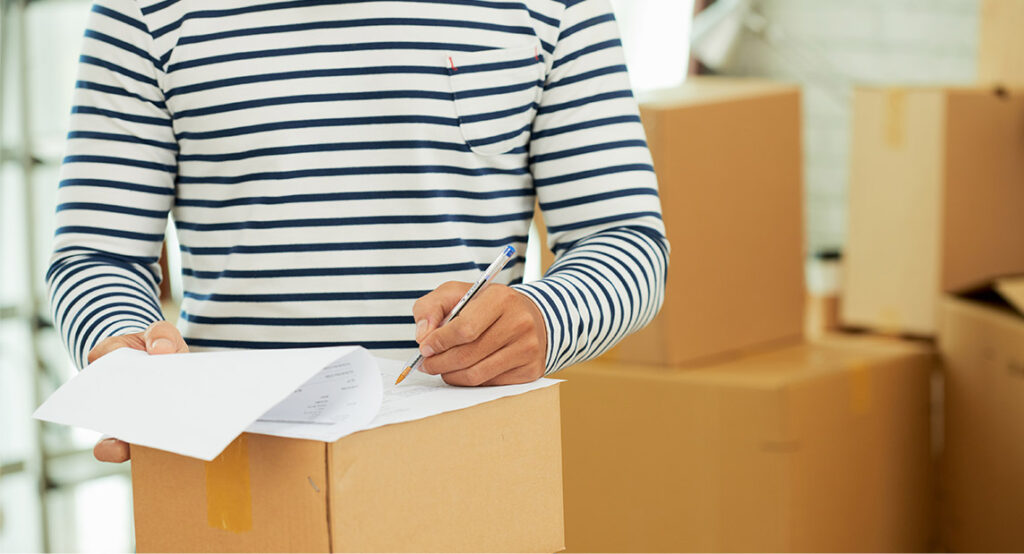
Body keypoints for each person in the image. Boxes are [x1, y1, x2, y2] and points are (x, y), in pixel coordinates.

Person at [48, 0, 669, 463]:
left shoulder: (557, 6)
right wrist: (130, 355)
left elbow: (627, 239)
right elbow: (95, 254)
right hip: (237, 469)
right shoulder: (141, 11)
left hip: (469, 466)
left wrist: (543, 318)